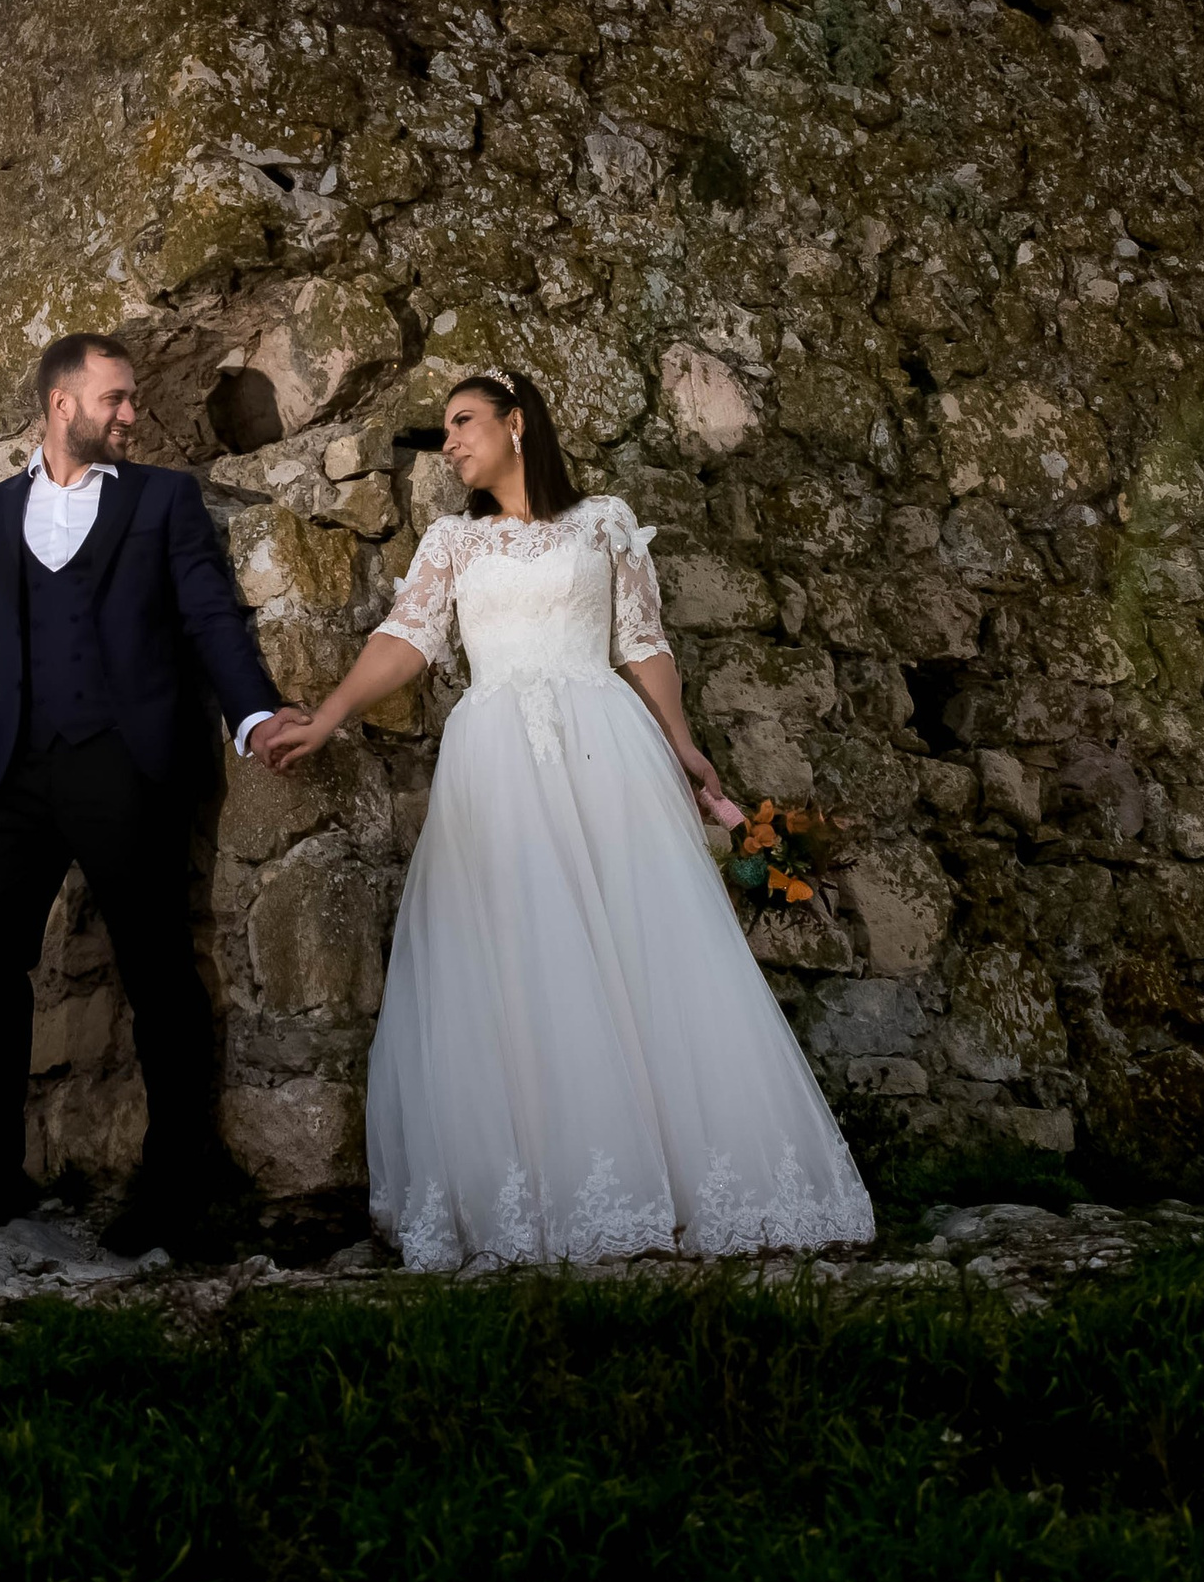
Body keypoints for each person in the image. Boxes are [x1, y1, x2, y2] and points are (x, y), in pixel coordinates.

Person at [260, 370, 874, 1270]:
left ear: (517, 425)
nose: (452, 440)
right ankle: (556, 1187)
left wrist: (685, 743)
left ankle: (690, 1183)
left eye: (464, 421)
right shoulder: (452, 543)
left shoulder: (604, 523)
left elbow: (644, 642)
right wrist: (328, 712)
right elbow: (406, 639)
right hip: (498, 757)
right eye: (445, 428)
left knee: (640, 950)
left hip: (605, 746)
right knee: (521, 953)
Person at [0, 332, 287, 1260]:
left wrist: (254, 713)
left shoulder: (163, 499)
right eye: (116, 398)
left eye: (132, 398)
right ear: (63, 404)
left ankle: (173, 1177)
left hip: (126, 756)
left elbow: (207, 615)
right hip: (21, 767)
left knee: (154, 964)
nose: (131, 415)